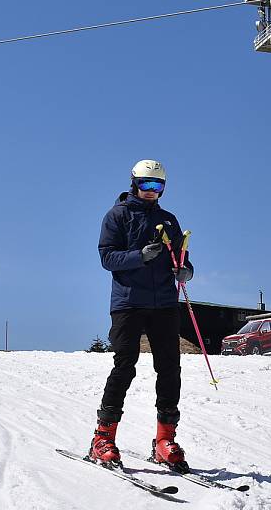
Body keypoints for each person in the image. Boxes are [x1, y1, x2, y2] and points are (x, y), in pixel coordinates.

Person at [89, 160, 194, 470]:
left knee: (170, 369)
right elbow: (107, 257)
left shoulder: (169, 220)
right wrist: (140, 256)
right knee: (124, 365)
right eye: (146, 185)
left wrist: (185, 271)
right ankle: (103, 437)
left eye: (158, 186)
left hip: (163, 303)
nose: (152, 191)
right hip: (128, 302)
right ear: (134, 183)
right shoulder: (117, 215)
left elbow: (183, 257)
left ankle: (165, 440)